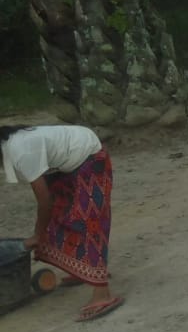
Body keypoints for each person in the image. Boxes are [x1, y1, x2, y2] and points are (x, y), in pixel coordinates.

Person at [0, 124, 122, 321]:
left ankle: (103, 294)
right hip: (65, 162)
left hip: (88, 153)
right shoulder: (11, 146)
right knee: (61, 214)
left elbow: (44, 202)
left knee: (90, 223)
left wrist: (37, 235)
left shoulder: (21, 151)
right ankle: (82, 269)